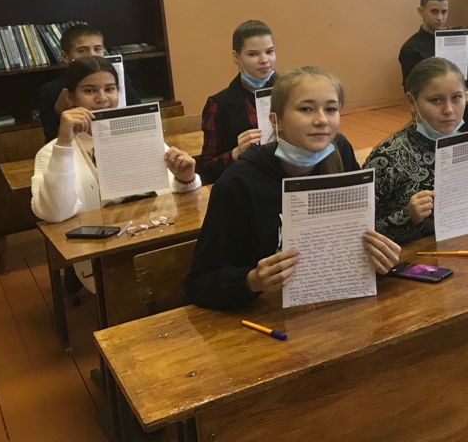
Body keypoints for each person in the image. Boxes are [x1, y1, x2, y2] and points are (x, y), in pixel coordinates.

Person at [186, 66, 400, 311]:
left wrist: (381, 257)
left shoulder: (340, 153)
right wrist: (251, 281)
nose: (321, 120)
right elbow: (199, 284)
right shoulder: (238, 182)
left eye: (331, 109)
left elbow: (357, 241)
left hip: (337, 306)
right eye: (306, 109)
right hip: (265, 316)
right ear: (276, 121)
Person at [30, 56, 200, 291]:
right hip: (103, 257)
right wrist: (64, 143)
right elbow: (56, 213)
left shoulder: (140, 136)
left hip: (158, 238)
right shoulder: (52, 153)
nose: (102, 99)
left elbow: (178, 196)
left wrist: (185, 178)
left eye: (110, 89)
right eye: (89, 91)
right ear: (70, 97)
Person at [367, 56, 468, 245]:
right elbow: (362, 233)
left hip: (466, 248)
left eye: (457, 98)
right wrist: (407, 216)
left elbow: (467, 214)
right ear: (412, 102)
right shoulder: (386, 157)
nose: (449, 110)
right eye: (436, 100)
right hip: (412, 258)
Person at [196, 19, 277, 184]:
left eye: (269, 51)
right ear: (236, 57)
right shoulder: (219, 104)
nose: (264, 60)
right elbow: (206, 168)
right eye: (253, 54)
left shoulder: (292, 91)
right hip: (246, 183)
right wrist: (236, 152)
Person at [35, 23, 140, 141]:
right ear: (65, 56)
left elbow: (140, 117)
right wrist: (60, 114)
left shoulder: (120, 79)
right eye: (82, 50)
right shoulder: (50, 90)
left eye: (97, 49)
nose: (92, 55)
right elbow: (52, 139)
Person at [398, 0, 448, 85]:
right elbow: (411, 88)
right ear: (421, 12)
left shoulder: (452, 42)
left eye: (444, 12)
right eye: (434, 12)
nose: (440, 18)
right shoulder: (411, 49)